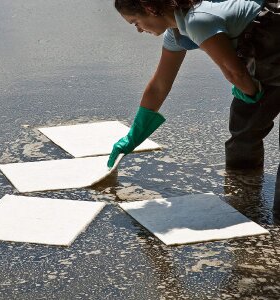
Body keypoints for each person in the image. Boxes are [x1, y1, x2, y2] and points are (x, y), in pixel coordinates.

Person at [107, 0, 280, 219]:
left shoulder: (198, 20)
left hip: (270, 44)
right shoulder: (176, 34)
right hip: (266, 63)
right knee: (243, 132)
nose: (140, 30)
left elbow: (235, 73)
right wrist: (134, 135)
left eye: (136, 23)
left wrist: (251, 92)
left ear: (150, 9)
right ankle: (244, 197)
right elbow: (160, 85)